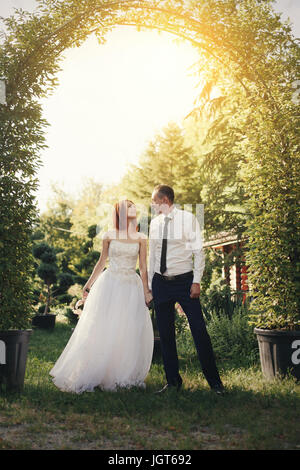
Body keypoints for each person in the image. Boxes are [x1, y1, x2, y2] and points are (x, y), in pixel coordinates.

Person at [50, 200, 154, 393]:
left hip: (131, 285)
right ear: (121, 212)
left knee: (127, 328)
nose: (133, 208)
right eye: (129, 206)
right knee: (103, 326)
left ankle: (122, 373)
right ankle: (97, 371)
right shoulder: (109, 235)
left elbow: (143, 266)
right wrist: (88, 286)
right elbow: (101, 262)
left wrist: (147, 290)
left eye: (133, 206)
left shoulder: (141, 237)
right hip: (110, 284)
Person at [148, 185, 225, 395]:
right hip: (161, 283)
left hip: (184, 282)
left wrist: (197, 281)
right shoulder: (154, 224)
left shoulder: (187, 218)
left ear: (164, 200)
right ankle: (173, 381)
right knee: (165, 334)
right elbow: (152, 254)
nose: (152, 206)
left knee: (199, 330)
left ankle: (215, 383)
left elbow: (198, 251)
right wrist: (150, 285)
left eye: (154, 201)